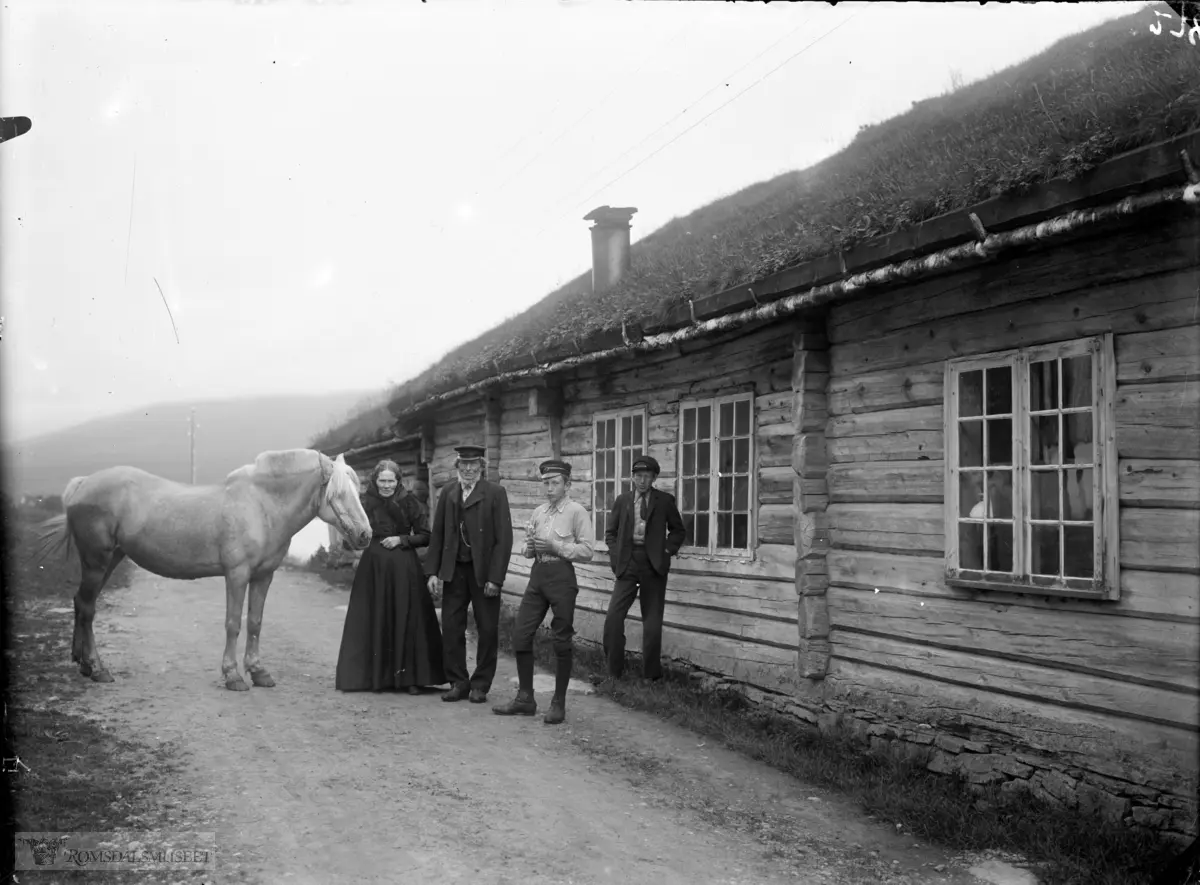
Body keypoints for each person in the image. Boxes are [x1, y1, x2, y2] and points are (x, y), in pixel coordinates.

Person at [493, 459, 594, 725]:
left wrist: (556, 546)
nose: (549, 488)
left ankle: (558, 703)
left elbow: (587, 551)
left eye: (554, 483)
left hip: (562, 577)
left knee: (561, 640)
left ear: (567, 484)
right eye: (546, 483)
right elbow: (529, 551)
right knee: (520, 634)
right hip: (538, 576)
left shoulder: (576, 512)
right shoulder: (539, 512)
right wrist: (530, 545)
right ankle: (525, 698)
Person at [335, 460, 446, 694]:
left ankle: (409, 678)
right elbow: (351, 531)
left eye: (390, 480)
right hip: (373, 567)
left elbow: (427, 535)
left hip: (404, 567)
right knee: (374, 616)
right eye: (382, 480)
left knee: (407, 616)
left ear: (398, 481)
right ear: (375, 481)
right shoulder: (364, 502)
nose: (386, 485)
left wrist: (401, 539)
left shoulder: (409, 502)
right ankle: (374, 677)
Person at [424, 444, 514, 704]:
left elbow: (503, 540)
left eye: (474, 464)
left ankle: (480, 685)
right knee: (452, 628)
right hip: (454, 571)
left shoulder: (495, 493)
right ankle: (458, 682)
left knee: (487, 630)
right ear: (458, 466)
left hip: (483, 574)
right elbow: (438, 534)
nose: (469, 468)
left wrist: (496, 579)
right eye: (464, 464)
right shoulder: (449, 492)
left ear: (481, 466)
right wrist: (432, 572)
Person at [602, 455, 685, 685]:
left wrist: (667, 551)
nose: (641, 481)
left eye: (646, 477)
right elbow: (610, 533)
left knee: (652, 622)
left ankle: (651, 675)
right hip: (628, 563)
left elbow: (678, 531)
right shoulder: (623, 500)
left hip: (653, 566)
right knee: (613, 618)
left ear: (654, 478)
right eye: (638, 476)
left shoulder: (665, 501)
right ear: (632, 477)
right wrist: (616, 556)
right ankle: (614, 671)